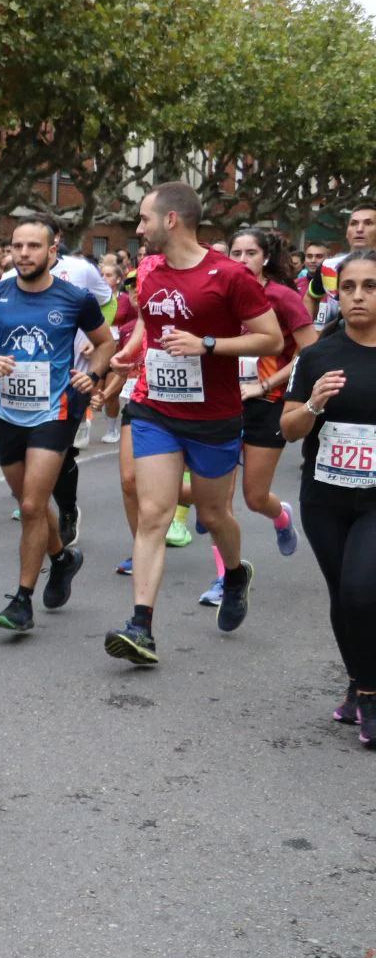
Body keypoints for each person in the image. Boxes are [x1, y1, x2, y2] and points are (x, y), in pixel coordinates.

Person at [104, 183, 282, 665]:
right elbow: (148, 323)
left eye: (144, 219)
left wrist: (208, 345)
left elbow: (271, 339)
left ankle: (236, 574)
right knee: (154, 514)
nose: (138, 229)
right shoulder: (147, 270)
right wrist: (132, 350)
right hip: (155, 409)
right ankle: (141, 626)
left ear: (172, 221)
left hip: (214, 416)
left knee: (213, 514)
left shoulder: (230, 277)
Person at [0, 212, 109, 632]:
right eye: (17, 246)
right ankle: (62, 559)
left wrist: (92, 373)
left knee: (30, 506)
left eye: (33, 246)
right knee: (32, 505)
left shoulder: (74, 298)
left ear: (52, 250)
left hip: (55, 410)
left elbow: (105, 343)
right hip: (8, 412)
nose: (23, 254)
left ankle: (22, 600)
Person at [281, 250, 376, 741]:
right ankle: (359, 684)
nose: (357, 296)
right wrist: (315, 402)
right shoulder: (318, 356)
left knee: (363, 588)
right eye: (349, 287)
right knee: (344, 594)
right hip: (325, 497)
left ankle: (371, 692)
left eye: (370, 286)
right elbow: (289, 428)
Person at [209, 226, 314, 603]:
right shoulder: (219, 295)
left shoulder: (282, 297)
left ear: (265, 257)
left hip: (267, 405)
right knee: (219, 503)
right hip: (222, 403)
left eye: (249, 253)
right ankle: (226, 579)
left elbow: (309, 350)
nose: (240, 261)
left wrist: (266, 386)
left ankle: (281, 516)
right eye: (234, 253)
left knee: (254, 497)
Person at [96, 255, 138, 444]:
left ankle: (113, 429)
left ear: (118, 279)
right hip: (97, 350)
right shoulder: (94, 300)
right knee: (94, 391)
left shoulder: (127, 300)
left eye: (108, 275)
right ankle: (86, 426)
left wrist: (124, 335)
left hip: (120, 349)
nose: (104, 278)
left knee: (111, 392)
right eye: (101, 275)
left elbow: (137, 322)